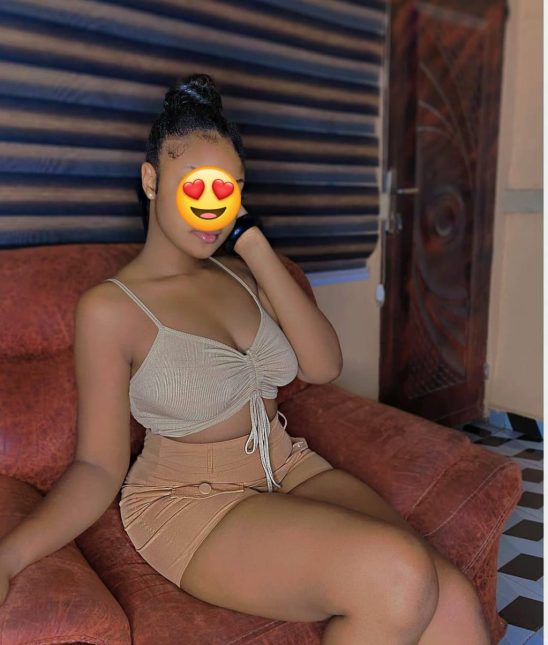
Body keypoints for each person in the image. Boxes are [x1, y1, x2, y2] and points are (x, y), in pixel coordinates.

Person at [0, 73, 491, 644]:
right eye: (197, 185)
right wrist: (9, 556)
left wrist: (254, 245)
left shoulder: (242, 273)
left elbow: (322, 367)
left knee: (452, 596)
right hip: (190, 500)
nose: (213, 205)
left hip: (288, 466)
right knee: (399, 577)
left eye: (231, 188)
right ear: (152, 180)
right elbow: (97, 467)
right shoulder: (110, 308)